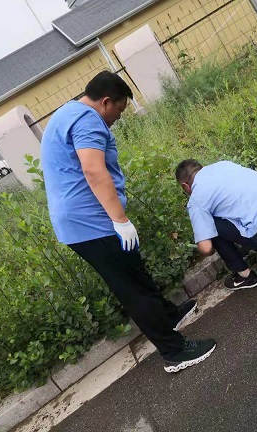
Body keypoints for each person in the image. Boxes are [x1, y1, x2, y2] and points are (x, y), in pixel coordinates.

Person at [41, 71, 216, 373]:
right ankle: (174, 352)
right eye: (120, 110)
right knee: (131, 287)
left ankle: (168, 315)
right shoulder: (87, 119)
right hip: (91, 223)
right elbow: (93, 171)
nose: (118, 118)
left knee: (134, 270)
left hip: (82, 219)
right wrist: (120, 220)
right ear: (106, 102)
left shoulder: (66, 113)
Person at [176, 159, 257, 290]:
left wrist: (209, 245)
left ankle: (245, 276)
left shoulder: (196, 200)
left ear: (185, 186)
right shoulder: (223, 165)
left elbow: (206, 248)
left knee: (210, 226)